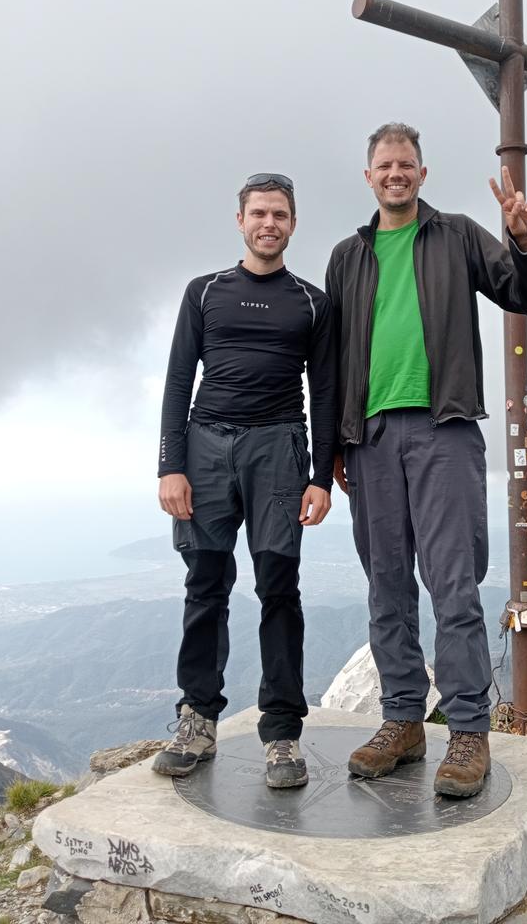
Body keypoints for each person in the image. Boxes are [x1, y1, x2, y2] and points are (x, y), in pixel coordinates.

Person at [326, 122, 527, 798]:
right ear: (369, 176)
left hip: (444, 429)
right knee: (386, 585)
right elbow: (331, 361)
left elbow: (525, 295)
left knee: (453, 585)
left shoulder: (456, 235)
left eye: (406, 164)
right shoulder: (346, 257)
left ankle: (469, 731)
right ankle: (402, 721)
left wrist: (525, 239)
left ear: (423, 174)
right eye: (384, 165)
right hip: (369, 439)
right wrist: (333, 442)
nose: (395, 173)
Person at [152, 174, 337, 789]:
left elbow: (325, 392)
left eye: (280, 214)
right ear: (240, 220)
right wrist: (170, 465)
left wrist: (320, 477)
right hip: (205, 446)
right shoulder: (204, 292)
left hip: (278, 447)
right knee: (205, 582)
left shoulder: (312, 302)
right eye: (259, 213)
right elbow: (178, 380)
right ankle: (197, 720)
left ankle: (282, 734)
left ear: (293, 223)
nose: (269, 224)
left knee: (278, 586)